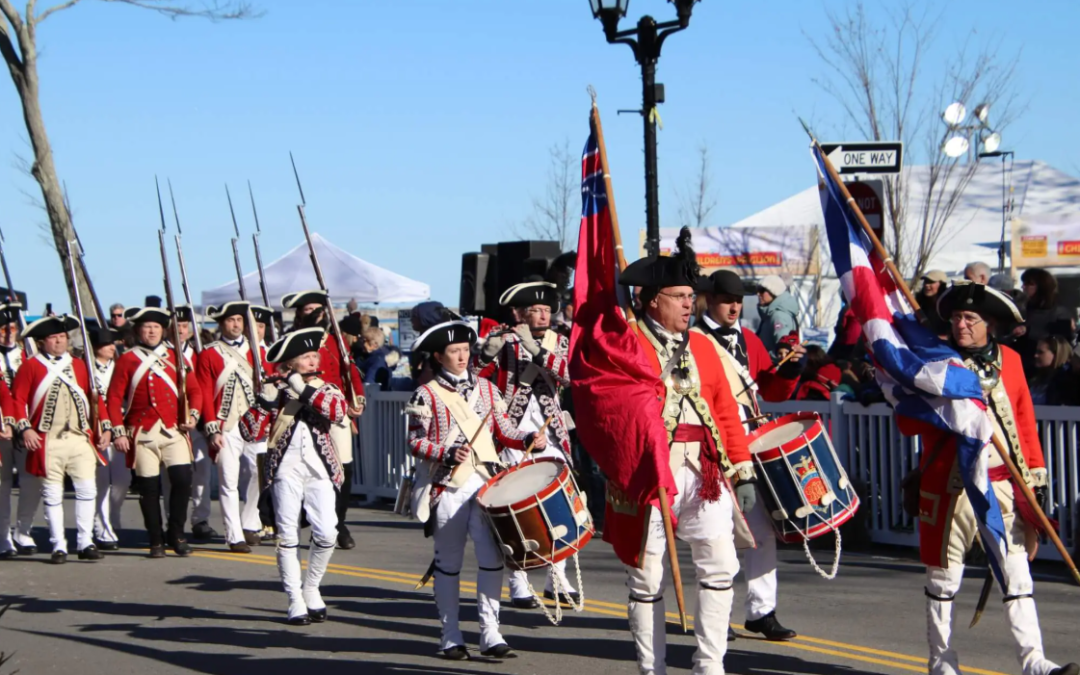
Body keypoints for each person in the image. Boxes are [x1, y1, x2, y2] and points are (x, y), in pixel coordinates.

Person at [898, 282, 1078, 675]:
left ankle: (1035, 663)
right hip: (950, 489)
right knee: (944, 582)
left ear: (989, 324)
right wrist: (928, 397)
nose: (961, 325)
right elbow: (906, 423)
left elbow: (1025, 424)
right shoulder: (937, 363)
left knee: (1017, 576)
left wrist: (1036, 482)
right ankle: (941, 664)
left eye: (970, 318)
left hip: (1001, 485)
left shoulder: (1011, 360)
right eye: (957, 318)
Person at [612, 229, 758, 675]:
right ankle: (650, 668)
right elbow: (611, 411)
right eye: (678, 296)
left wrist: (743, 469)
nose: (688, 305)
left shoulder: (704, 346)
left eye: (690, 296)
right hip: (647, 472)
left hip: (704, 471)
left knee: (720, 566)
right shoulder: (626, 343)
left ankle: (709, 665)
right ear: (652, 299)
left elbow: (726, 412)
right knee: (648, 575)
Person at [406, 320, 542, 660]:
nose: (462, 356)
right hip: (448, 486)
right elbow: (413, 441)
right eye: (454, 351)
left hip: (485, 483)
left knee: (492, 558)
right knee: (449, 563)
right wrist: (446, 452)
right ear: (438, 356)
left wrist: (528, 439)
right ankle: (450, 635)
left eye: (466, 350)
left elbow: (506, 429)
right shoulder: (424, 394)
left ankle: (490, 633)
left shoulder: (486, 389)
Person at [693, 269, 804, 642]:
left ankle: (762, 610)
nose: (734, 307)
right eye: (727, 300)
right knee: (717, 535)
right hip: (712, 447)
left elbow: (769, 388)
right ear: (710, 300)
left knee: (762, 531)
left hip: (750, 446)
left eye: (739, 301)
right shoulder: (692, 341)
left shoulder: (750, 339)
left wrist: (791, 367)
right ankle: (716, 612)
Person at [476, 280, 577, 609]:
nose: (543, 315)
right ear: (520, 313)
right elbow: (476, 374)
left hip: (552, 434)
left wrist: (538, 353)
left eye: (547, 309)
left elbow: (568, 377)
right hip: (511, 434)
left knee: (558, 505)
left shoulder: (559, 343)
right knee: (515, 508)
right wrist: (487, 350)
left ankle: (556, 577)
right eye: (535, 310)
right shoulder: (504, 341)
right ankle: (518, 582)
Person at [239, 327, 346, 626]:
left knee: (327, 532)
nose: (313, 361)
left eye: (315, 356)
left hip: (320, 470)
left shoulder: (326, 388)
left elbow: (338, 412)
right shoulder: (277, 389)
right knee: (287, 536)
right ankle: (294, 599)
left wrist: (301, 387)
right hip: (284, 470)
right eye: (305, 357)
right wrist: (264, 401)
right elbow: (248, 431)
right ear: (289, 363)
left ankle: (311, 587)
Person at [11, 315, 111, 564]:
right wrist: (25, 429)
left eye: (63, 337)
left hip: (79, 437)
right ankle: (59, 545)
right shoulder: (31, 366)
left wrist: (106, 428)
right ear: (43, 342)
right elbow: (17, 401)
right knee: (53, 494)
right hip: (48, 439)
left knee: (87, 489)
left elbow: (95, 399)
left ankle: (85, 541)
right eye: (54, 338)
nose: (59, 341)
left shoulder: (79, 365)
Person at [107, 306, 203, 558]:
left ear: (163, 330)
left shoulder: (177, 356)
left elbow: (195, 391)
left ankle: (177, 533)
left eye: (156, 327)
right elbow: (114, 396)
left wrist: (193, 415)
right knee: (149, 489)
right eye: (147, 327)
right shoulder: (128, 358)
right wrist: (118, 431)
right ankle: (155, 538)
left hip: (174, 430)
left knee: (183, 481)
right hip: (142, 432)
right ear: (138, 330)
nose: (151, 331)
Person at [284, 290, 365, 550]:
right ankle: (309, 517)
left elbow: (349, 370)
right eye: (309, 310)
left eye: (319, 309)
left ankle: (338, 524)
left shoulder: (335, 340)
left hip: (335, 409)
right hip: (303, 411)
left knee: (344, 467)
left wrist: (357, 398)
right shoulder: (290, 341)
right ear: (299, 314)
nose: (316, 314)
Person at [196, 302, 270, 552]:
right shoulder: (209, 353)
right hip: (225, 425)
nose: (236, 325)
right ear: (221, 324)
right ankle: (234, 533)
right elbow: (205, 393)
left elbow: (270, 388)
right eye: (230, 320)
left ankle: (250, 522)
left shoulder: (258, 352)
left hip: (255, 423)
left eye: (239, 320)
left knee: (258, 475)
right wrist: (211, 428)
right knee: (228, 479)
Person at [171, 305, 217, 541]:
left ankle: (201, 519)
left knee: (202, 472)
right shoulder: (164, 353)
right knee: (172, 476)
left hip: (197, 422)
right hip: (171, 422)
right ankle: (170, 520)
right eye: (176, 325)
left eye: (184, 325)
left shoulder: (200, 353)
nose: (180, 330)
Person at [0, 302, 41, 556]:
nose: (7, 333)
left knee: (32, 481)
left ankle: (23, 531)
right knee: (2, 485)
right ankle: (3, 537)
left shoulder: (28, 355)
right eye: (2, 328)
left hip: (28, 428)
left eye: (11, 328)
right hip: (2, 428)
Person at [88, 324, 129, 551]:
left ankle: (113, 515)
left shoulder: (121, 366)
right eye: (106, 344)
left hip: (121, 429)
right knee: (101, 482)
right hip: (98, 432)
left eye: (113, 343)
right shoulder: (86, 369)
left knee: (123, 481)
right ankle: (101, 527)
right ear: (96, 347)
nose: (111, 348)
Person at [1017, 269, 1074, 374]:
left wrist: (1029, 330)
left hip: (1050, 370)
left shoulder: (1060, 312)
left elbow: (1062, 343)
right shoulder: (1023, 310)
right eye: (1023, 283)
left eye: (1029, 284)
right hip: (1023, 366)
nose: (1023, 287)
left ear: (1042, 287)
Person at [755, 274, 799, 358]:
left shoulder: (778, 315)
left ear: (774, 292)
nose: (758, 294)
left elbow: (783, 344)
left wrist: (764, 357)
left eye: (762, 290)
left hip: (773, 368)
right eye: (757, 290)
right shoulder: (773, 313)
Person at [1028, 335, 1072, 405]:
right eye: (1036, 351)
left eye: (1041, 352)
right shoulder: (1033, 377)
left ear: (1056, 354)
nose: (1035, 355)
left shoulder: (1065, 383)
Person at [916, 270, 950, 337]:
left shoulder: (949, 305)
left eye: (931, 282)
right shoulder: (920, 304)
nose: (926, 285)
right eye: (925, 282)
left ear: (942, 284)